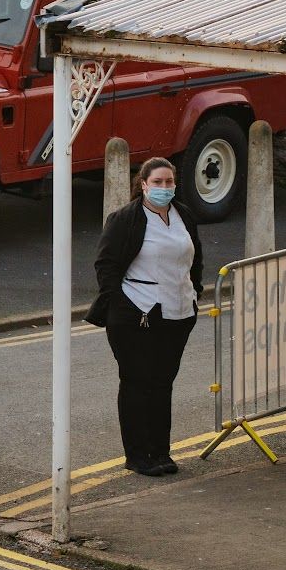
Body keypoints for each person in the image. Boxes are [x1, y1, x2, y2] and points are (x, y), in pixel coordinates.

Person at [89, 158, 204, 476]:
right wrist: (122, 305)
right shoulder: (126, 218)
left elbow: (195, 260)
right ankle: (138, 456)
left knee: (162, 383)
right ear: (143, 185)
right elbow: (106, 266)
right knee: (137, 383)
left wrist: (196, 293)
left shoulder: (184, 215)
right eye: (158, 182)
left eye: (169, 182)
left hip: (178, 313)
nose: (164, 188)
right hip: (136, 315)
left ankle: (160, 452)